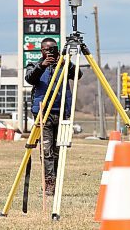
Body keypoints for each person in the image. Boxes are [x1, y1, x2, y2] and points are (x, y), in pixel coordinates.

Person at [25, 37, 82, 196]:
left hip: (62, 111)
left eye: (53, 49)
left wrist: (66, 64)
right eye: (47, 49)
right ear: (41, 51)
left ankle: (54, 180)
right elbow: (29, 78)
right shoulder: (35, 65)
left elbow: (78, 75)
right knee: (46, 150)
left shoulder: (64, 63)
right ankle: (49, 182)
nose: (50, 52)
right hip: (43, 114)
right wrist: (41, 66)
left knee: (58, 150)